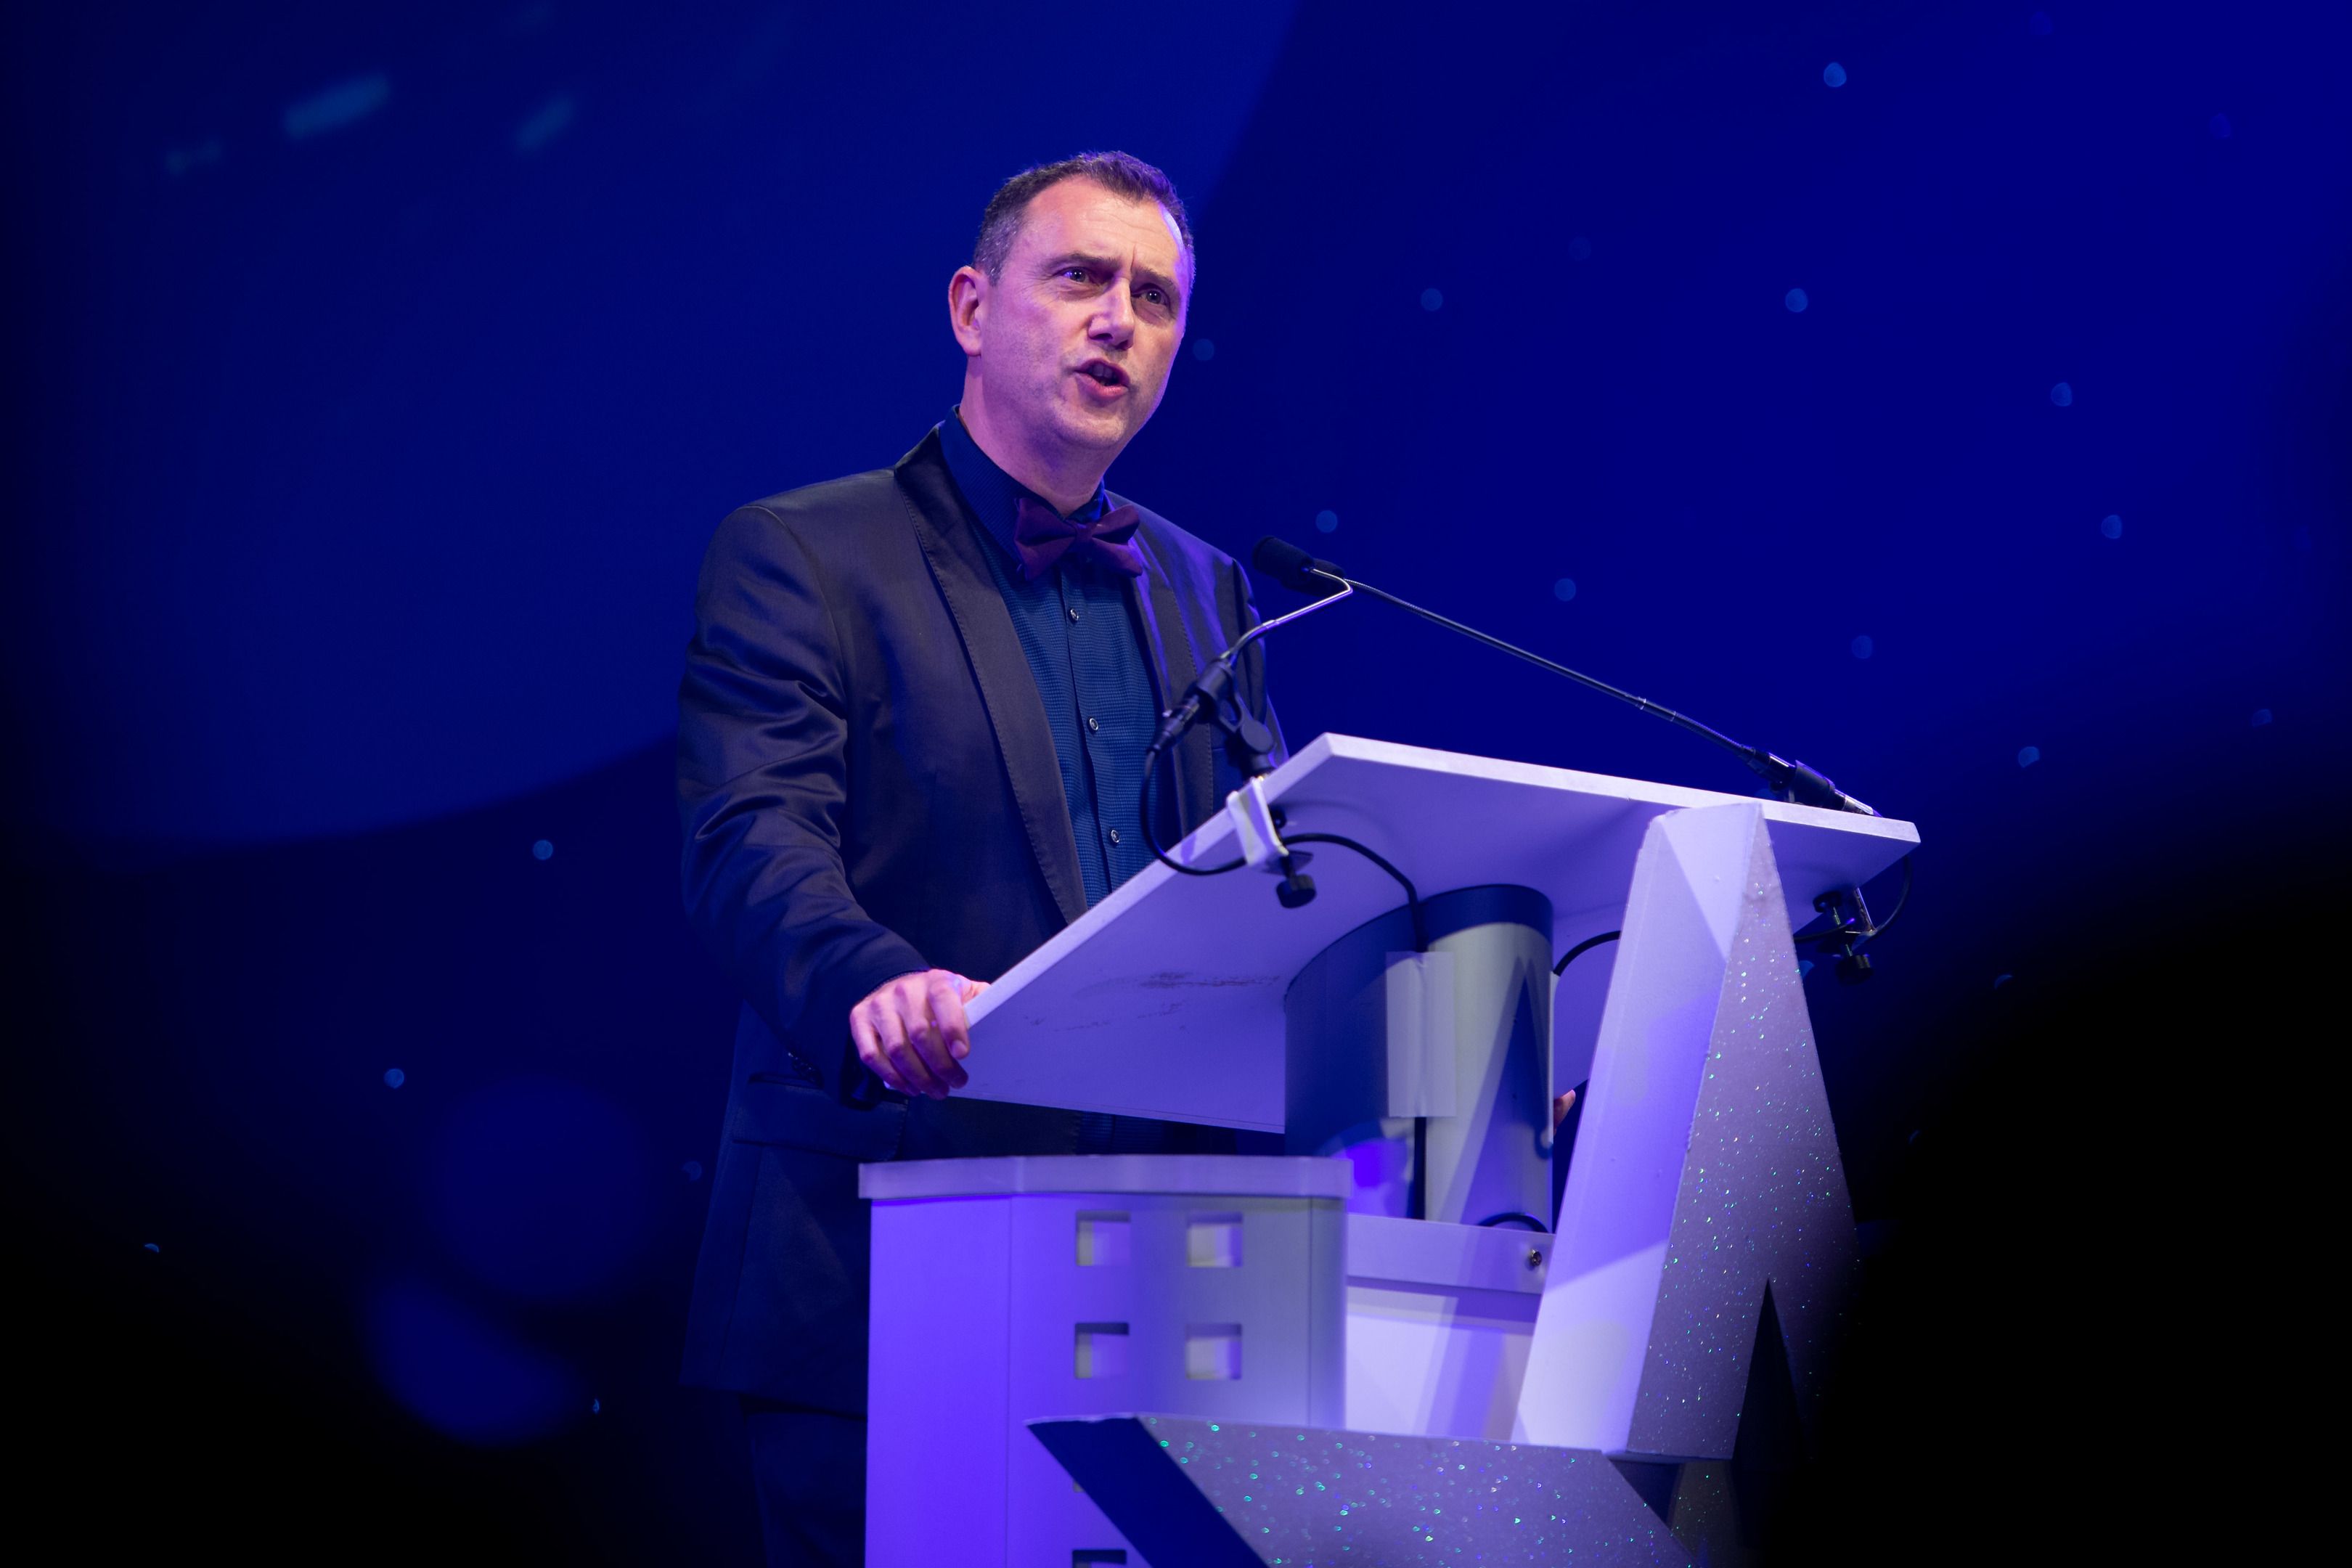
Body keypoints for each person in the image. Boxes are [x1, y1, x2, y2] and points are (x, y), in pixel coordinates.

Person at [674, 151, 1283, 1568]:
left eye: (1155, 296)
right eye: (1080, 277)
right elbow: (748, 840)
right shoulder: (803, 554)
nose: (1119, 319)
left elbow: (1269, 889)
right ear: (971, 305)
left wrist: (1439, 1033)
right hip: (886, 1262)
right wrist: (872, 986)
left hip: (1168, 1281)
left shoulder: (1209, 589)